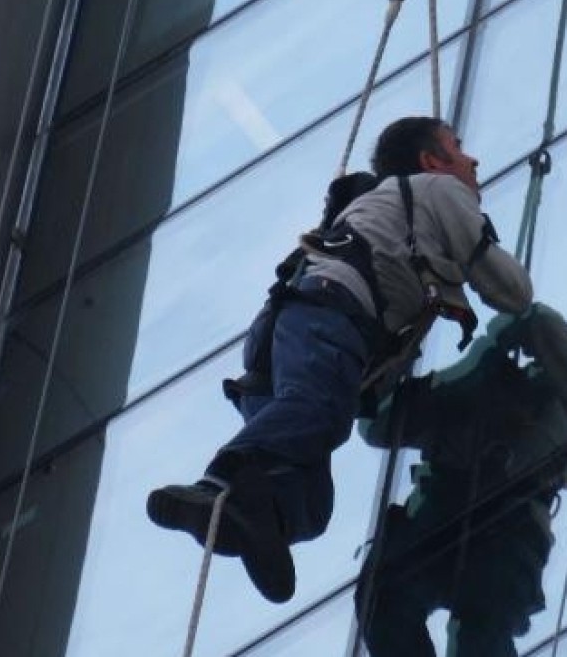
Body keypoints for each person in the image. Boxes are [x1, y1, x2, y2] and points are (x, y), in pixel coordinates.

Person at [146, 117, 533, 603]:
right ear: (432, 161)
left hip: (282, 333)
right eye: (459, 148)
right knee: (320, 413)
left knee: (311, 498)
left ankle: (255, 520)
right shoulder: (438, 189)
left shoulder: (379, 210)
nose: (473, 160)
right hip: (329, 314)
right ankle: (219, 484)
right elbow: (511, 290)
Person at [355, 303, 567, 657]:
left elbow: (535, 319)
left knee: (387, 600)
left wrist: (485, 354)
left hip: (456, 508)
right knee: (478, 633)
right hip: (505, 527)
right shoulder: (559, 407)